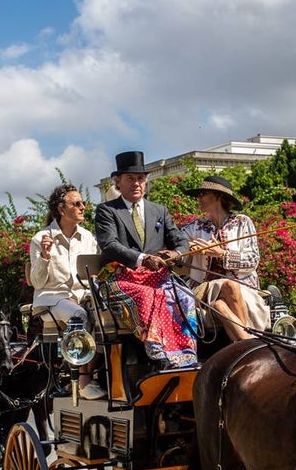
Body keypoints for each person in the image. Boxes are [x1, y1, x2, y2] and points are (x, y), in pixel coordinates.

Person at [94, 151, 198, 369]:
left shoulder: (159, 211)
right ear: (118, 182)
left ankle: (186, 353)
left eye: (141, 178)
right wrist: (142, 259)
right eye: (130, 179)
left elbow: (180, 241)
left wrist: (176, 254)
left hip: (157, 276)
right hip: (121, 278)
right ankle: (157, 350)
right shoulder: (107, 211)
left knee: (184, 295)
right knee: (147, 295)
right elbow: (110, 245)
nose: (136, 183)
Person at [29, 183, 104, 399]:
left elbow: (94, 274)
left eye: (83, 203)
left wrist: (92, 292)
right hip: (52, 298)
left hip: (82, 295)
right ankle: (82, 379)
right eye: (77, 203)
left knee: (109, 315)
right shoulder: (41, 238)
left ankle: (95, 374)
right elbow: (37, 282)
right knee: (78, 315)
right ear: (62, 209)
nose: (83, 207)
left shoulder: (88, 238)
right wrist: (44, 256)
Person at [181, 175, 269, 342]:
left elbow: (252, 261)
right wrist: (189, 248)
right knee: (229, 285)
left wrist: (221, 254)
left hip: (245, 290)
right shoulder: (196, 226)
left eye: (203, 193)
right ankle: (250, 344)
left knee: (220, 305)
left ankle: (242, 343)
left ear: (218, 196)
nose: (198, 198)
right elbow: (175, 244)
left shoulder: (243, 223)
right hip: (204, 289)